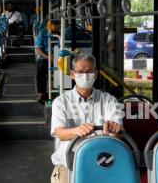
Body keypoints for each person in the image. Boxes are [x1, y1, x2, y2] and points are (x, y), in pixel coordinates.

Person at [50, 53, 123, 183]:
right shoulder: (60, 102)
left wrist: (116, 129)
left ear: (95, 74)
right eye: (80, 72)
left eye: (89, 72)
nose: (85, 76)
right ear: (72, 74)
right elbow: (60, 133)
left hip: (103, 162)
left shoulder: (109, 100)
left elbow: (119, 134)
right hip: (69, 164)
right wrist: (76, 130)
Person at [35, 20, 52, 103]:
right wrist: (49, 58)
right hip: (46, 56)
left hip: (59, 55)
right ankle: (41, 92)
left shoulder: (62, 31)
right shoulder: (43, 32)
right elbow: (38, 50)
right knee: (41, 68)